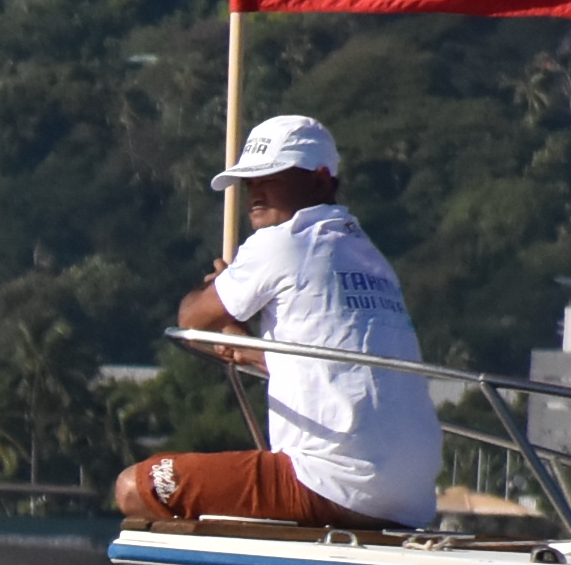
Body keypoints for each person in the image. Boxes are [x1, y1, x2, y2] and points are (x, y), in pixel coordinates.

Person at [111, 113, 439, 535]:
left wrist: (218, 288)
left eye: (272, 178)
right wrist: (244, 343)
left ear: (320, 180)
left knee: (134, 488)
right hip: (411, 498)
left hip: (327, 481)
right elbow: (333, 366)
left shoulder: (285, 239)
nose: (255, 193)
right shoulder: (371, 260)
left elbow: (191, 319)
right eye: (250, 181)